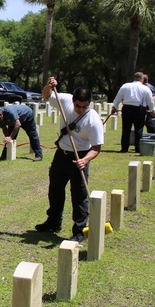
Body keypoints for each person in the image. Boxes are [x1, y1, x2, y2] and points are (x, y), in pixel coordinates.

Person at [35, 77, 105, 242]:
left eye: (84, 106)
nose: (80, 109)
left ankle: (79, 230)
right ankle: (53, 222)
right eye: (77, 105)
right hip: (62, 154)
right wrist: (49, 85)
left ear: (89, 103)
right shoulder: (64, 100)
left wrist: (85, 160)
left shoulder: (93, 120)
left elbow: (96, 148)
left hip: (80, 156)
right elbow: (46, 95)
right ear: (72, 100)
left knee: (79, 195)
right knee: (55, 190)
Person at [104, 72, 155, 153]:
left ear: (134, 78)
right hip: (139, 110)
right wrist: (153, 109)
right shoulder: (145, 88)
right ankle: (138, 148)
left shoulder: (125, 86)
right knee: (138, 130)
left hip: (127, 109)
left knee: (126, 129)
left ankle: (124, 148)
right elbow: (150, 100)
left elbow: (118, 98)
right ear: (142, 79)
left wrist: (115, 107)